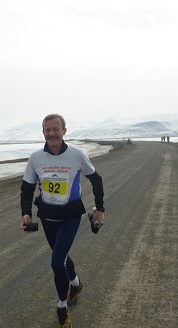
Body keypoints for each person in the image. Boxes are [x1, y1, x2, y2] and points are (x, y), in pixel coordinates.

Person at [20, 114, 105, 328]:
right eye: (47, 130)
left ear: (64, 130)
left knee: (57, 262)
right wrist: (26, 213)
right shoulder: (35, 158)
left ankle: (61, 306)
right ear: (43, 133)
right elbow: (27, 188)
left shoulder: (77, 155)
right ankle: (75, 284)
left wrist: (100, 209)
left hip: (70, 216)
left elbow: (96, 180)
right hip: (47, 217)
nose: (51, 133)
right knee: (63, 256)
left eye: (55, 129)